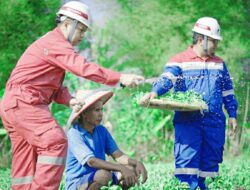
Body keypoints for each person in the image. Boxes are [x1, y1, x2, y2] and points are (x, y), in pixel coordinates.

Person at [0, 1, 144, 189]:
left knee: (26, 162)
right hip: (25, 102)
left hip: (14, 104)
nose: (83, 36)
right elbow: (83, 68)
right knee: (55, 141)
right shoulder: (56, 43)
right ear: (67, 24)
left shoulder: (51, 45)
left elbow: (53, 88)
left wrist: (70, 100)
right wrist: (120, 78)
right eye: (81, 30)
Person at [140, 17, 238, 190]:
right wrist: (155, 92)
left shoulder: (220, 64)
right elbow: (167, 78)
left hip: (214, 123)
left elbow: (227, 91)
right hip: (188, 122)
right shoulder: (180, 60)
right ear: (201, 39)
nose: (216, 45)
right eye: (214, 41)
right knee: (187, 162)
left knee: (210, 165)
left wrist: (232, 114)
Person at [65, 90, 148, 190]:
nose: (101, 114)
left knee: (131, 170)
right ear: (84, 113)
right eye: (97, 110)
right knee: (104, 175)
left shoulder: (101, 130)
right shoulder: (74, 133)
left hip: (99, 176)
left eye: (101, 110)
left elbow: (118, 155)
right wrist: (121, 168)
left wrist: (136, 163)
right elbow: (91, 162)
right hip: (77, 183)